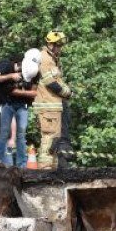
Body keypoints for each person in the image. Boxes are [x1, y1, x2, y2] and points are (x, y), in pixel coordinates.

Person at [34, 30, 72, 169]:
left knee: (55, 137)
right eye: (58, 45)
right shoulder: (45, 59)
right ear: (50, 44)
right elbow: (51, 82)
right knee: (49, 137)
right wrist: (68, 93)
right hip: (47, 104)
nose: (60, 48)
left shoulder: (53, 59)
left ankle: (53, 168)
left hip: (54, 105)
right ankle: (45, 168)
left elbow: (57, 80)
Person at [0, 54, 39, 168]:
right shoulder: (10, 69)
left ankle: (22, 165)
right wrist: (25, 93)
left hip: (23, 106)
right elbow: (9, 91)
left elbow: (35, 92)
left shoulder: (35, 72)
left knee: (21, 134)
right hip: (8, 104)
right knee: (4, 132)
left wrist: (20, 92)